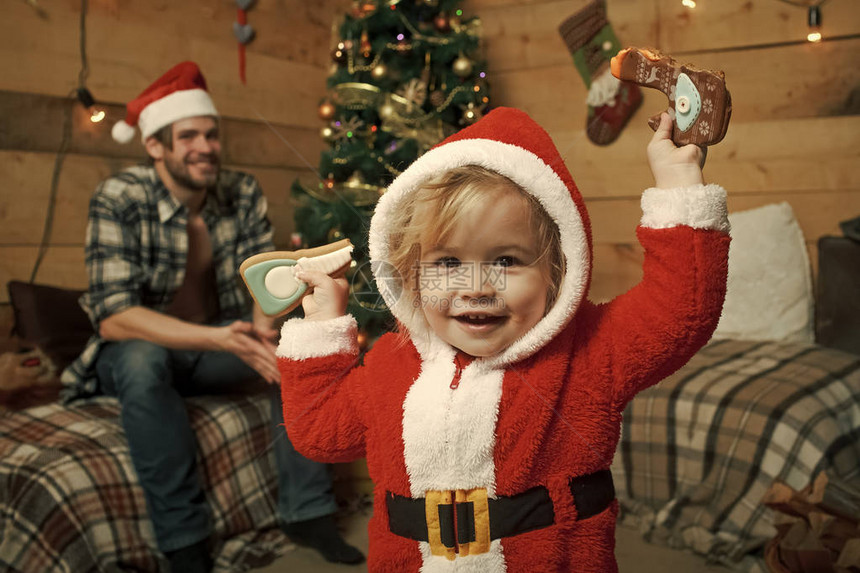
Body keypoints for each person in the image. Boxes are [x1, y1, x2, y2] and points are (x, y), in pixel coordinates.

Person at [274, 107, 730, 571]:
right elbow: (319, 434)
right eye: (448, 263)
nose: (476, 287)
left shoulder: (589, 354)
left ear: (557, 273)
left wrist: (679, 184)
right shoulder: (392, 365)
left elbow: (681, 310)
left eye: (508, 261)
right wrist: (320, 329)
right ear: (410, 274)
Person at [60, 61, 364, 571]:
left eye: (211, 134)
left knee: (287, 346)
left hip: (215, 345)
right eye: (188, 136)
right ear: (156, 146)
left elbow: (262, 295)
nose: (205, 146)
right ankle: (183, 542)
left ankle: (307, 512)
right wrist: (222, 339)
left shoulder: (239, 192)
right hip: (142, 349)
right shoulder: (121, 198)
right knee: (139, 361)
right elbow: (113, 318)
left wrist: (265, 333)